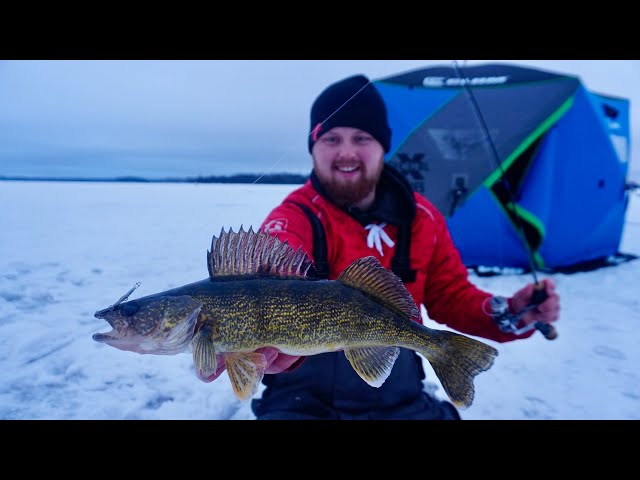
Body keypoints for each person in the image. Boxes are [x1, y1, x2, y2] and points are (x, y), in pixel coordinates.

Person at [216, 74, 560, 420]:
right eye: (331, 138)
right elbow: (274, 256)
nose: (346, 152)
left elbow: (451, 296)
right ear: (314, 147)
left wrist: (509, 312)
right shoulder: (295, 215)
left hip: (396, 388)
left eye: (361, 138)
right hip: (300, 395)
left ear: (383, 145)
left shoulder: (423, 218)